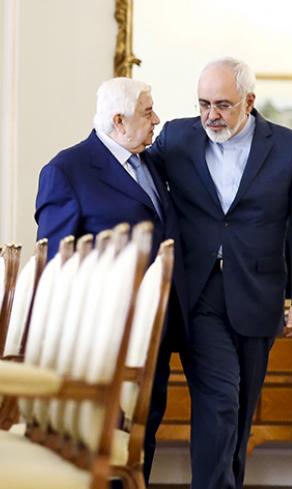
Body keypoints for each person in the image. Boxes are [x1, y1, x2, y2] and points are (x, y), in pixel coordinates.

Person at [147, 57, 292, 489]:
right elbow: (133, 176)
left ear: (249, 101)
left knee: (240, 413)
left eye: (223, 105)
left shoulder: (290, 149)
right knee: (220, 399)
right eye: (204, 104)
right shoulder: (176, 139)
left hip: (257, 295)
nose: (211, 115)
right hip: (198, 295)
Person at [34, 77, 188, 484]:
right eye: (147, 111)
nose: (156, 120)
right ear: (118, 121)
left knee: (142, 437)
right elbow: (56, 268)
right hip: (98, 342)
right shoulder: (67, 170)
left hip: (154, 333)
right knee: (99, 447)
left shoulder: (151, 164)